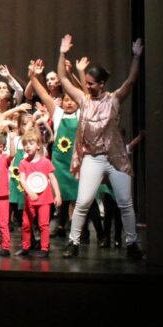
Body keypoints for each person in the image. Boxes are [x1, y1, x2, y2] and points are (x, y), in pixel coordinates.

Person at [57, 34, 145, 259]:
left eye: (90, 83)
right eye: (86, 82)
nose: (86, 86)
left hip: (115, 157)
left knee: (125, 202)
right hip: (92, 157)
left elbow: (130, 81)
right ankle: (73, 242)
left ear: (102, 85)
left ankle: (132, 244)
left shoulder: (113, 99)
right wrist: (62, 53)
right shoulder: (84, 100)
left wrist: (136, 58)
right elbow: (63, 79)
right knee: (83, 201)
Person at [17, 129, 61, 257]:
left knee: (43, 224)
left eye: (31, 143)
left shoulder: (45, 162)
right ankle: (25, 247)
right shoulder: (23, 163)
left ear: (38, 146)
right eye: (25, 144)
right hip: (30, 199)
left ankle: (44, 248)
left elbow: (53, 178)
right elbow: (22, 179)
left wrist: (58, 195)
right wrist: (30, 192)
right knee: (26, 224)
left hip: (44, 199)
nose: (27, 146)